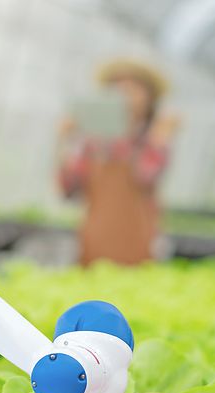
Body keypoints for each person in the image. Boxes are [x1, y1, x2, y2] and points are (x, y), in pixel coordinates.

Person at [58, 59, 178, 266]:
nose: (125, 97)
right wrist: (65, 141)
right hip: (94, 239)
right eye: (118, 90)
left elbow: (147, 176)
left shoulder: (151, 140)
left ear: (150, 100)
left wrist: (160, 140)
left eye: (134, 90)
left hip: (139, 241)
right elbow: (68, 189)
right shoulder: (92, 143)